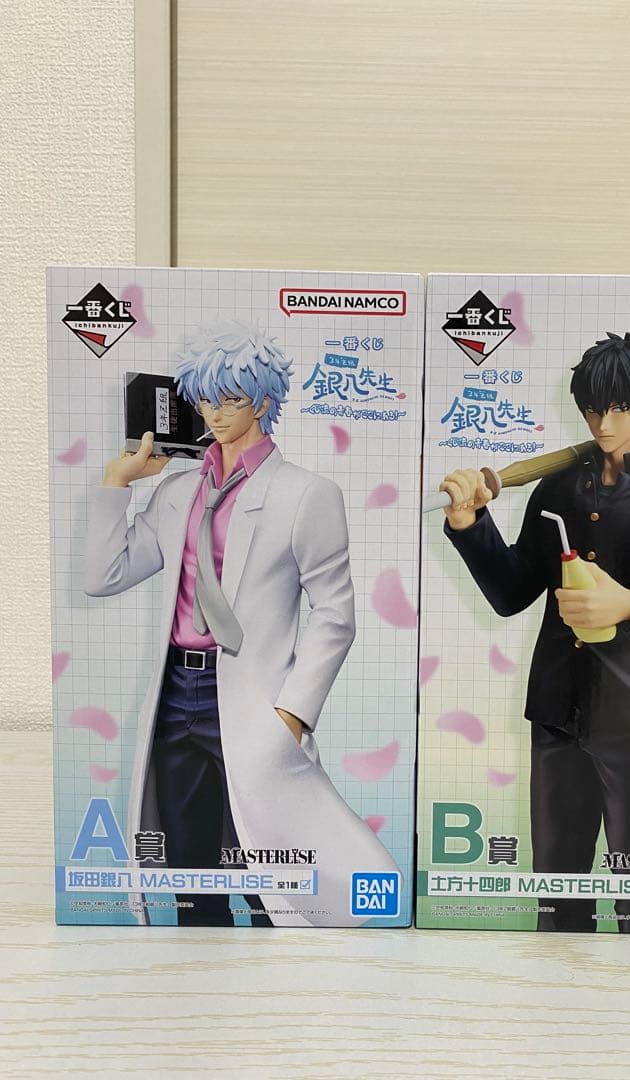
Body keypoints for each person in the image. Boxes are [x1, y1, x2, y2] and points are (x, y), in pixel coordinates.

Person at [85, 319, 397, 926]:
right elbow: (106, 575)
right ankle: (200, 975)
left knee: (266, 874)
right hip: (176, 695)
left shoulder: (306, 493)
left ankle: (280, 973)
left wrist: (293, 714)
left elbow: (335, 614)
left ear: (261, 400)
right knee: (189, 873)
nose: (215, 414)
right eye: (205, 399)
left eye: (230, 398)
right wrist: (117, 483)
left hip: (254, 700)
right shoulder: (177, 493)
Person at [439, 333, 630, 933]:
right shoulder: (557, 488)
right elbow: (512, 593)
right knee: (556, 889)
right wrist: (470, 526)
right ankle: (555, 980)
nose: (603, 423)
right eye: (593, 408)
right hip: (556, 709)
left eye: (618, 408)